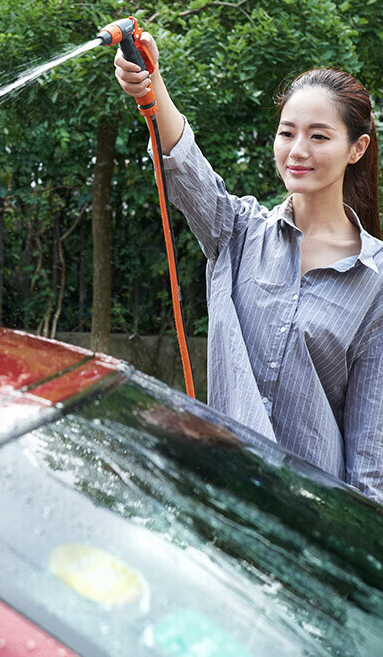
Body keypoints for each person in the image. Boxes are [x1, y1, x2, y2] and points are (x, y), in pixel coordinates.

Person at [114, 31, 383, 502]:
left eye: (319, 136)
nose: (297, 150)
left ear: (356, 148)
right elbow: (185, 168)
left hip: (311, 523)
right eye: (287, 132)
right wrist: (151, 86)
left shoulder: (375, 282)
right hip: (225, 504)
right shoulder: (236, 231)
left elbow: (370, 453)